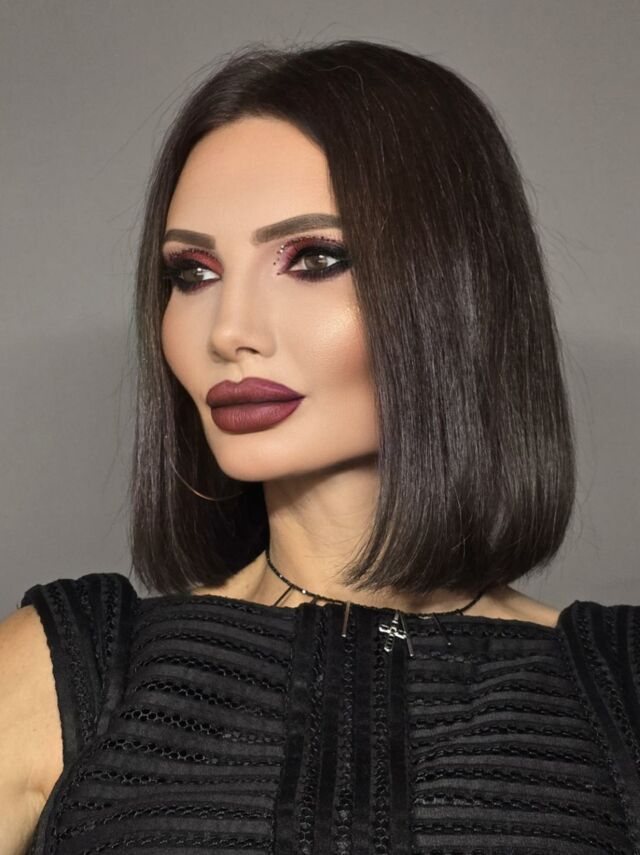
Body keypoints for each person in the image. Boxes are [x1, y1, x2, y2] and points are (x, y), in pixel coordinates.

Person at [1, 38, 639, 854]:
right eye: (193, 273)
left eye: (314, 258)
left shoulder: (621, 685)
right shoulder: (63, 669)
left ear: (454, 290)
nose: (228, 331)